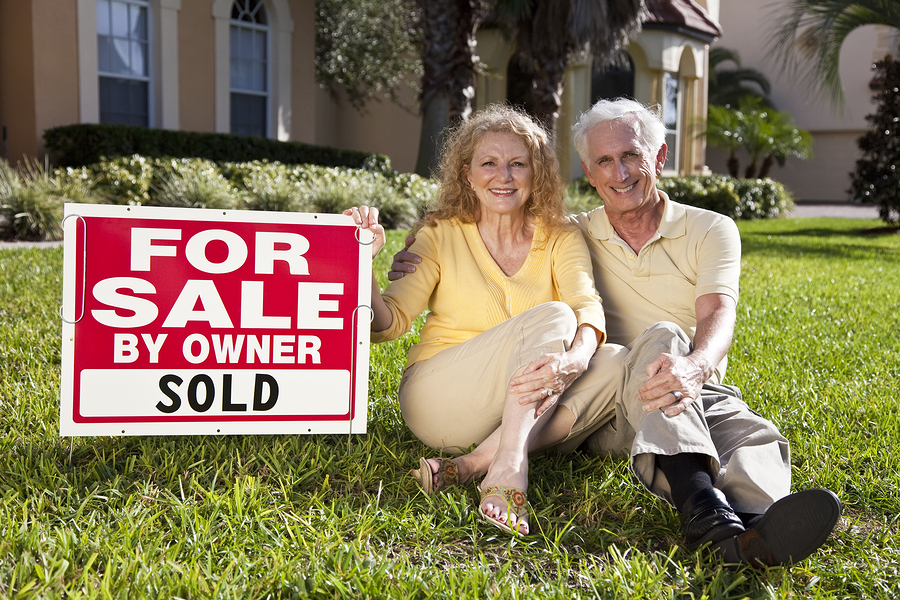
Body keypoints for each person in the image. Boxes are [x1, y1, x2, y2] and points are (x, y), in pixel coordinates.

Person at [387, 98, 840, 566]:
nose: (619, 173)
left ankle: (751, 529)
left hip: (686, 381)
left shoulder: (710, 228)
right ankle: (710, 515)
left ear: (659, 158)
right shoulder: (576, 231)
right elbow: (514, 240)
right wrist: (398, 253)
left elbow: (718, 313)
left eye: (631, 156)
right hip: (605, 401)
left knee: (752, 435)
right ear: (589, 170)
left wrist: (696, 366)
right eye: (604, 160)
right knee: (654, 339)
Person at [345, 104, 627, 536]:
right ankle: (511, 466)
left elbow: (586, 305)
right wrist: (362, 262)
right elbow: (387, 324)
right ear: (466, 174)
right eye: (489, 163)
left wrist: (575, 360)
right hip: (439, 398)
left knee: (615, 361)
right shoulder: (438, 235)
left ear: (537, 173)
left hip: (515, 405)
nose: (504, 176)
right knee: (554, 316)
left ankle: (476, 463)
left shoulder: (561, 235)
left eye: (518, 164)